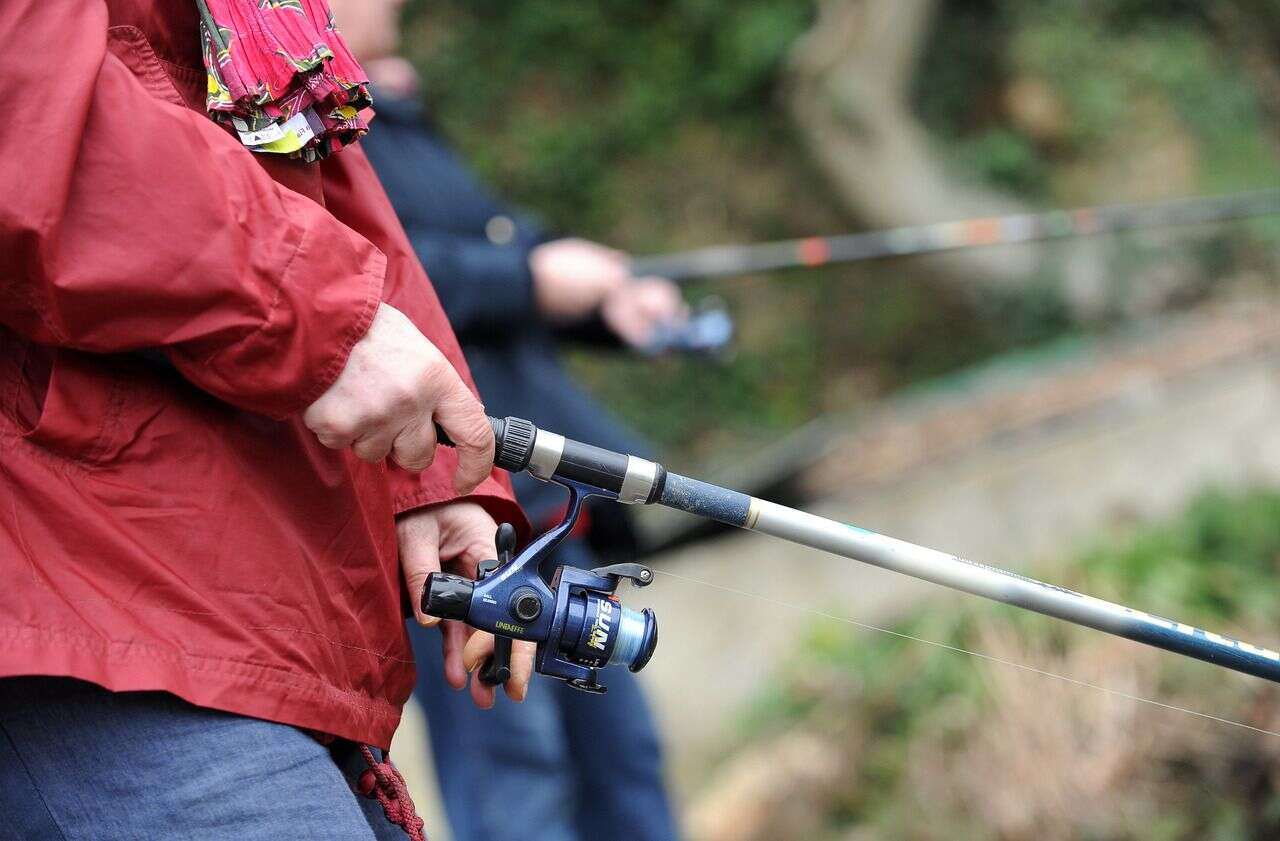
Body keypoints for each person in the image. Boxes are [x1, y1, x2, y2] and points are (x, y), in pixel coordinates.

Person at [0, 1, 533, 838]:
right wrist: (325, 322)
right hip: (70, 587)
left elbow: (314, 156)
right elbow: (22, 111)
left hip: (242, 573)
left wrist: (426, 474)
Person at [329, 2, 684, 839]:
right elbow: (382, 279)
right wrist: (532, 277)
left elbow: (486, 243)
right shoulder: (302, 117)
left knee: (621, 755)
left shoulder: (388, 108)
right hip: (444, 491)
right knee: (517, 768)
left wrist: (605, 299)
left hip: (538, 489)